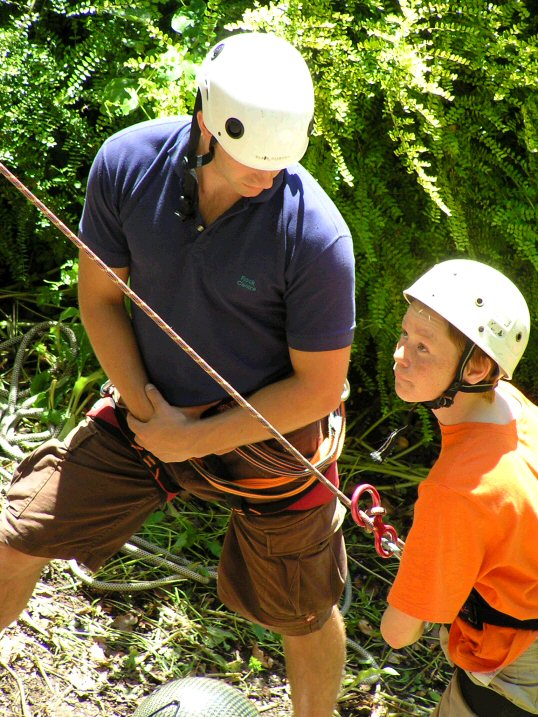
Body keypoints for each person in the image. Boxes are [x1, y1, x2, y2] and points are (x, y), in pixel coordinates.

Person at [0, 32, 356, 717]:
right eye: (253, 161)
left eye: (280, 164)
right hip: (150, 408)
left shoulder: (315, 237)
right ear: (206, 124)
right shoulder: (128, 164)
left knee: (304, 611)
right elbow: (101, 298)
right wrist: (146, 415)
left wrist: (192, 439)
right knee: (20, 532)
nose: (268, 176)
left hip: (273, 442)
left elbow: (318, 387)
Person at [380, 258, 538, 716]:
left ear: (477, 367)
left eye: (423, 348)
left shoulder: (457, 490)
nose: (400, 354)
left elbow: (398, 632)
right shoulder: (512, 407)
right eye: (404, 334)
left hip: (515, 677)